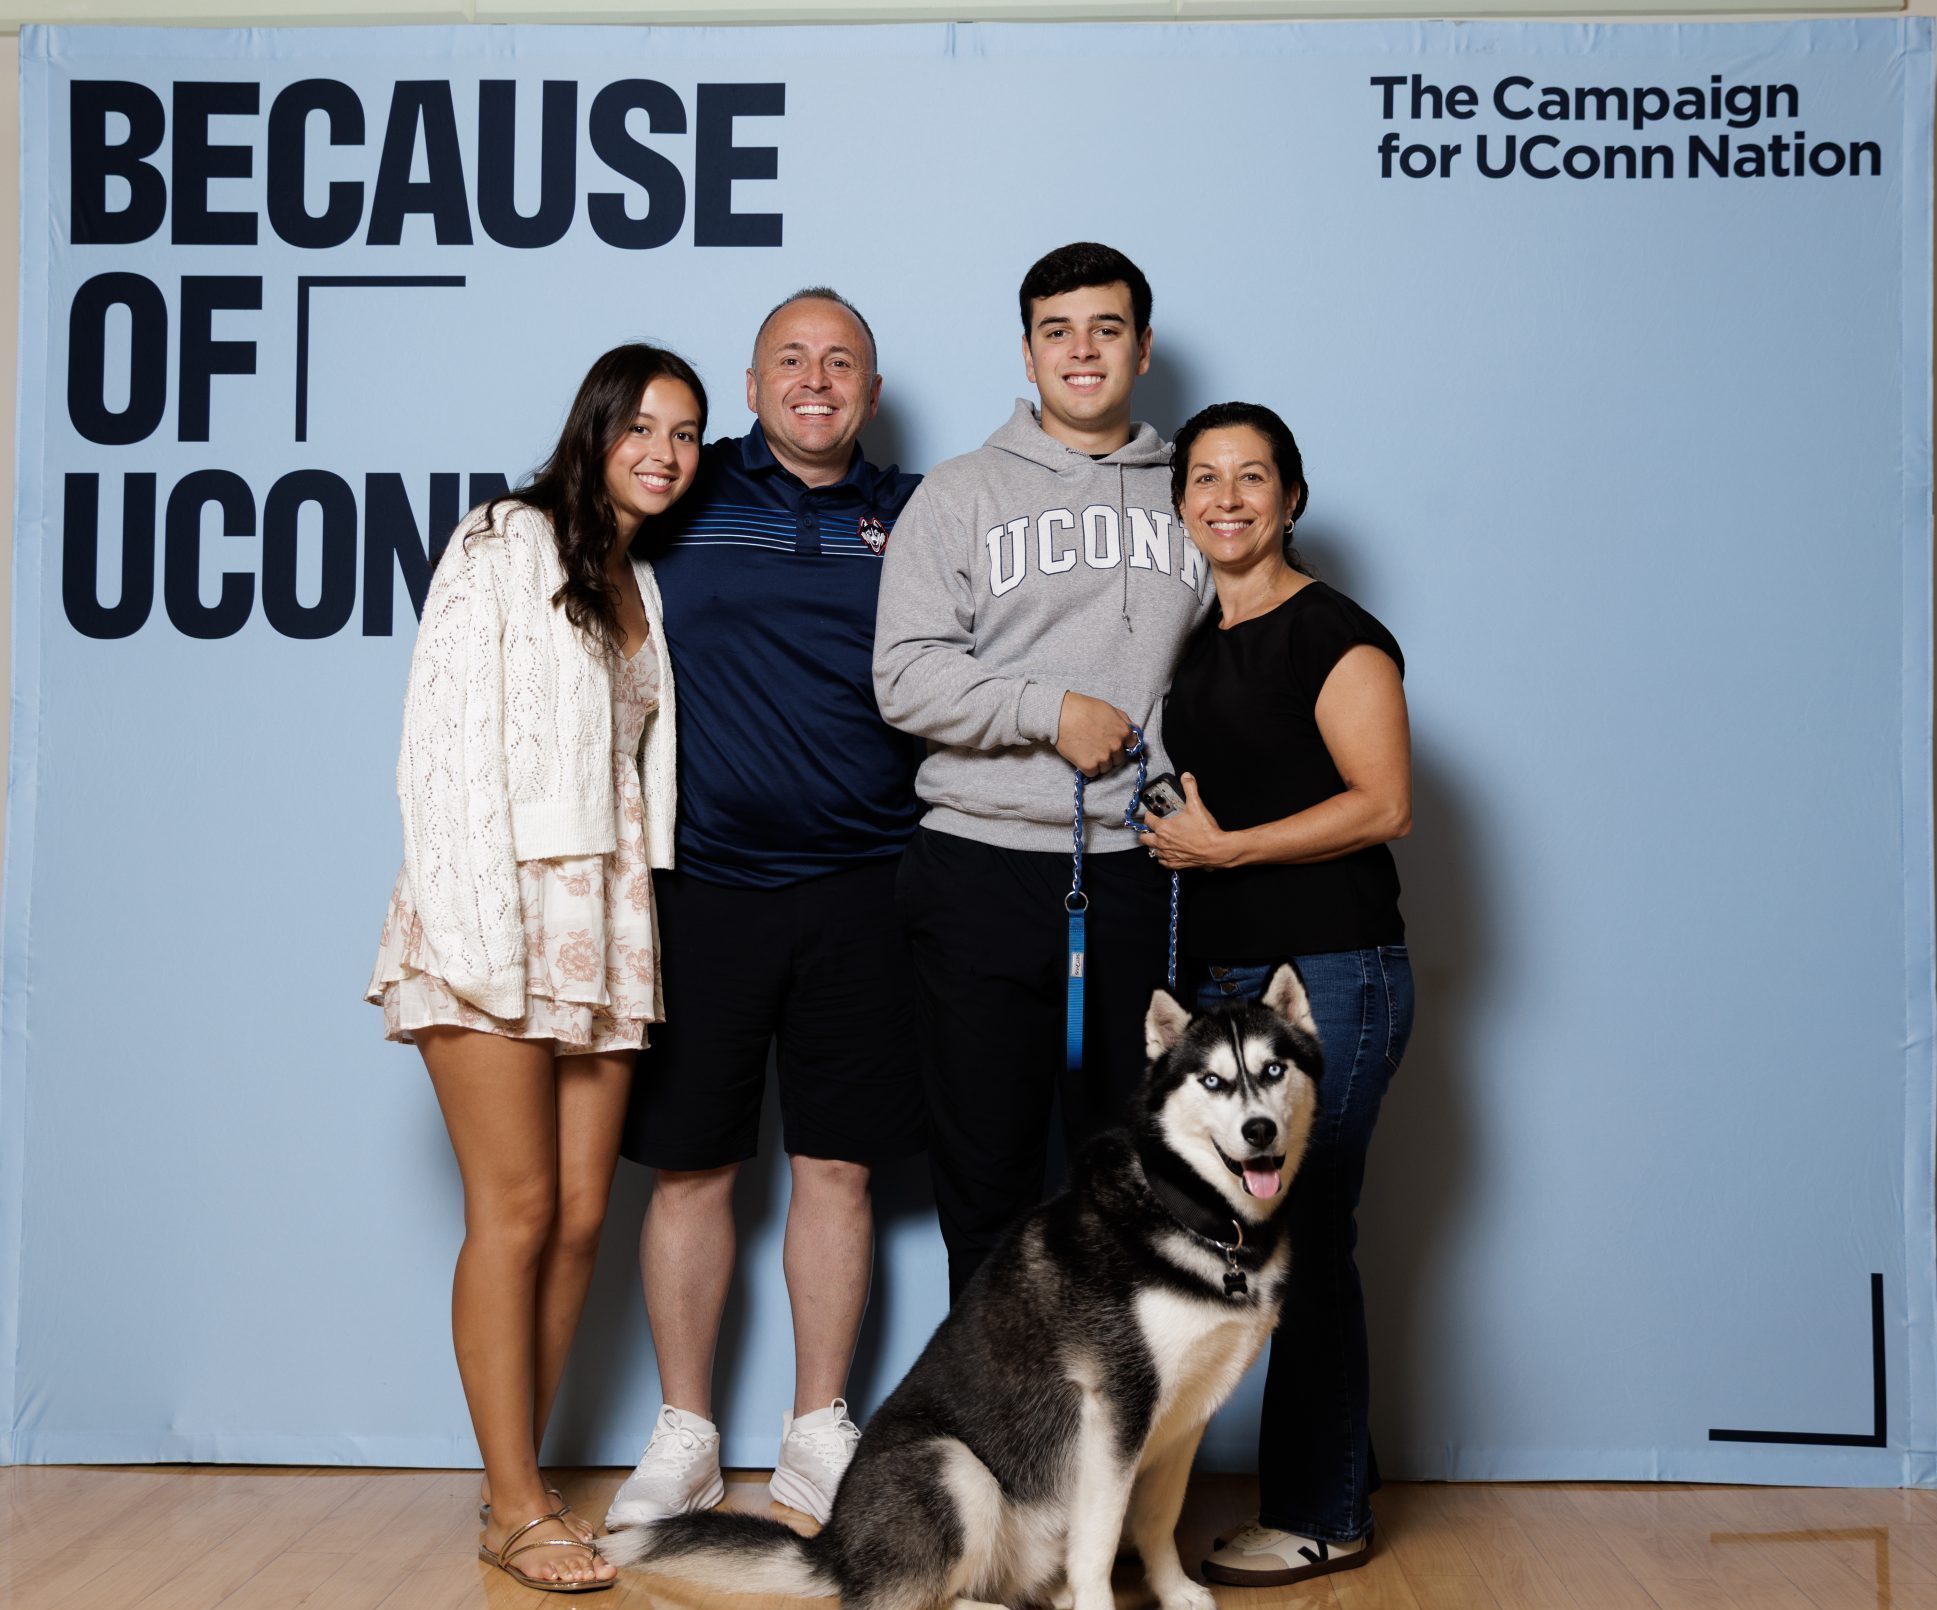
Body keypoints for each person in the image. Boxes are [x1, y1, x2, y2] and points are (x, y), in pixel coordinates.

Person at [365, 343, 706, 1593]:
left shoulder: (635, 579)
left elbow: (631, 772)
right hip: (496, 905)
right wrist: (478, 943)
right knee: (510, 1213)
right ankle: (514, 1503)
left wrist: (632, 917)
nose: (664, 453)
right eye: (643, 427)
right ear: (596, 426)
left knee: (574, 1218)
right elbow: (440, 754)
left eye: (684, 433)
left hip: (604, 918)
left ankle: (517, 1484)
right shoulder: (503, 541)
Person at [607, 289, 924, 1530]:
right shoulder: (683, 492)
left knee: (835, 1166)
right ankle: (684, 1432)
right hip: (704, 888)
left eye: (840, 361)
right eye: (790, 359)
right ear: (748, 386)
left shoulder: (912, 514)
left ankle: (812, 1432)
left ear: (871, 392)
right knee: (689, 1168)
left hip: (866, 886)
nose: (815, 378)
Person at [873, 243, 1211, 1301]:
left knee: (1140, 1187)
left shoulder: (1195, 491)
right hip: (978, 862)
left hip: (1141, 869)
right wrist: (1045, 709)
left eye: (1105, 329)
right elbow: (903, 675)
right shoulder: (960, 492)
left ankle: (1110, 1455)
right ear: (1025, 353)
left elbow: (1242, 659)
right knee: (987, 1184)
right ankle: (995, 1450)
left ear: (1142, 348)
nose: (1080, 350)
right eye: (1056, 331)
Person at [1145, 401, 1413, 1587]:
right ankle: (1317, 1487)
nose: (1227, 497)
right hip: (1225, 986)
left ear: (1290, 498)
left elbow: (1382, 802)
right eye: (1204, 478)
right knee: (1261, 1235)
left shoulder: (1336, 633)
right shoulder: (1196, 639)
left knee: (1304, 1237)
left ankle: (1321, 1511)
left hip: (1332, 979)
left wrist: (1226, 851)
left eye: (1252, 477)